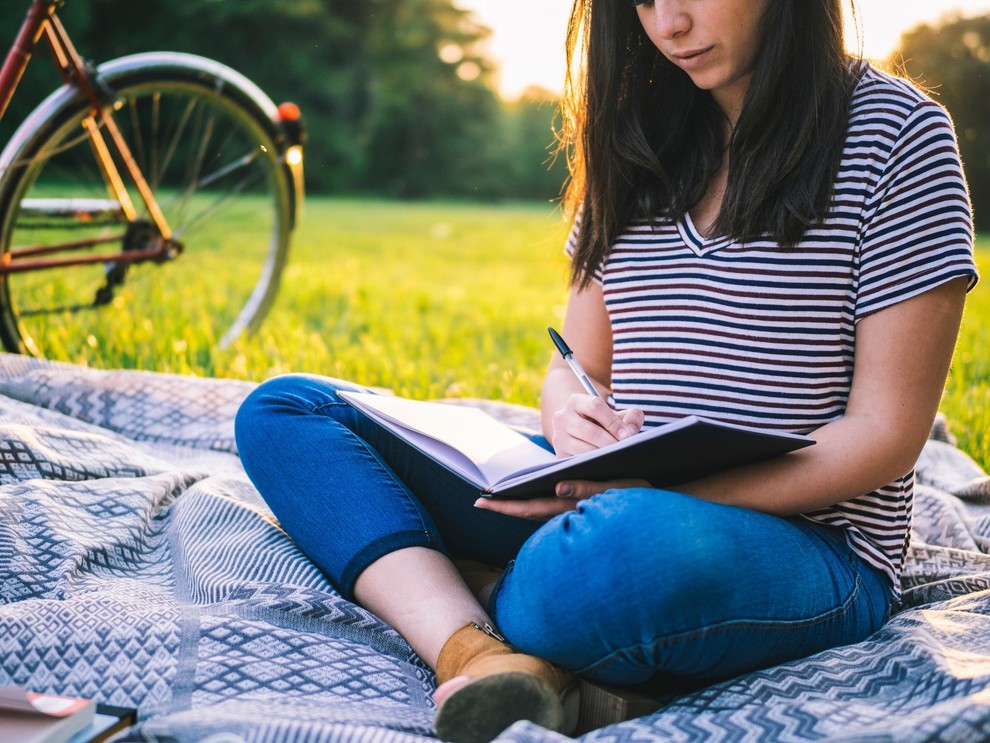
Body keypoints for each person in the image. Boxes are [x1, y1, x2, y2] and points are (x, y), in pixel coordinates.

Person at [234, 0, 980, 741]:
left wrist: (653, 491)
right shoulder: (640, 131)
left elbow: (885, 435)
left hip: (797, 545)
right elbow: (576, 367)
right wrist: (568, 419)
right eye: (643, 2)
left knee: (626, 552)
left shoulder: (896, 135)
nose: (667, 25)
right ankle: (480, 652)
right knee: (289, 411)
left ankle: (458, 578)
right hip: (600, 496)